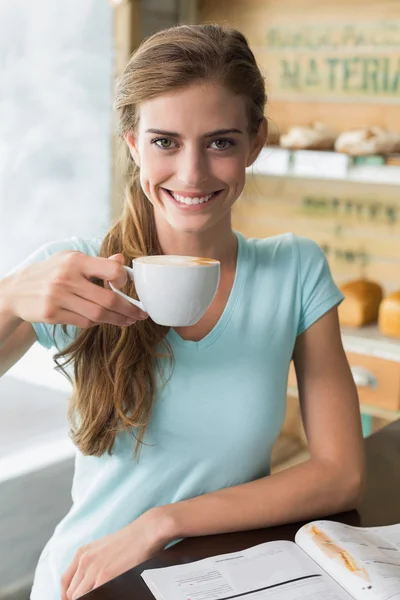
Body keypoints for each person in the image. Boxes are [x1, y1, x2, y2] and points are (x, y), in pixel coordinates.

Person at [0, 24, 365, 600]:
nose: (191, 174)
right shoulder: (81, 269)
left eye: (220, 142)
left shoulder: (295, 271)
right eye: (164, 141)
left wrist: (162, 523)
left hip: (224, 581)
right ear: (132, 142)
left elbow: (341, 474)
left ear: (256, 141)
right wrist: (9, 295)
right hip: (89, 584)